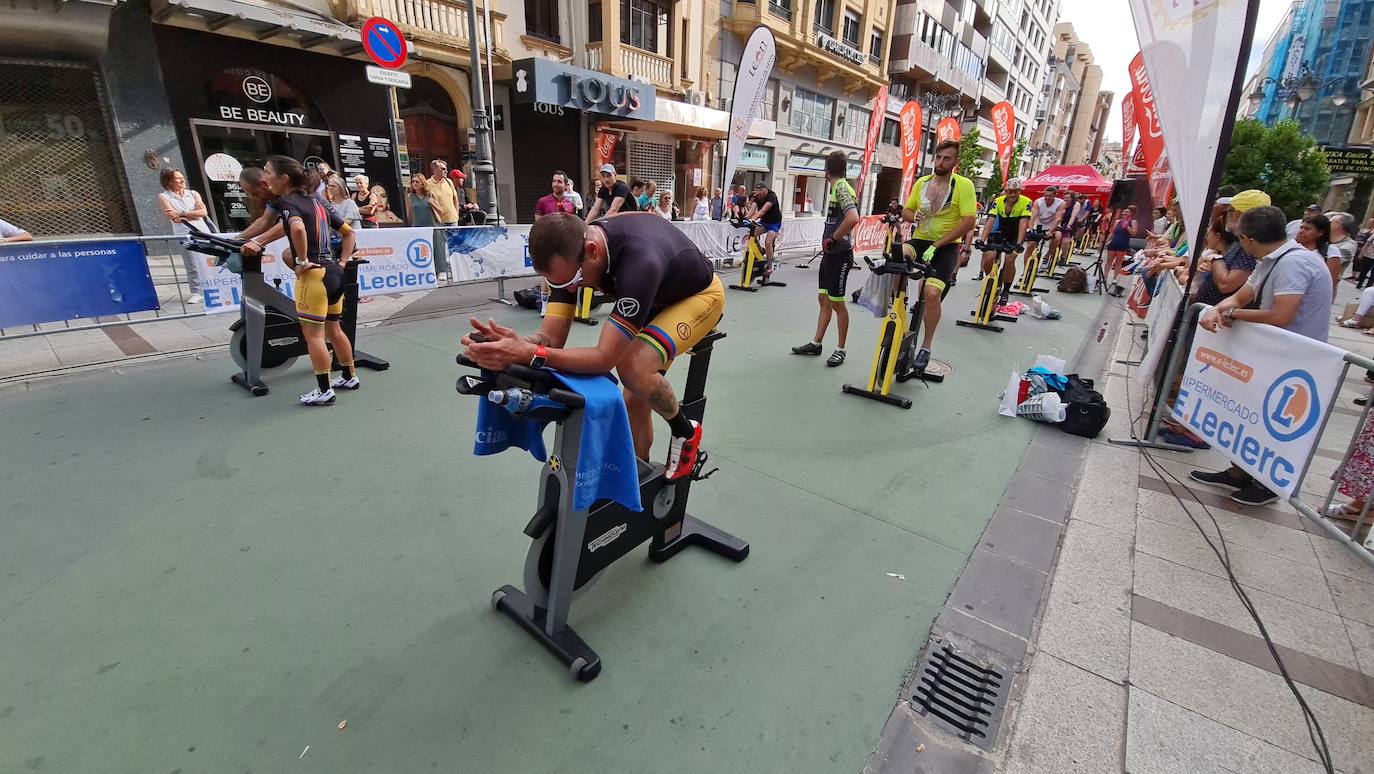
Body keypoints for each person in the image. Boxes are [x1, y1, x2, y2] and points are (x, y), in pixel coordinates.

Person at [461, 211, 725, 481]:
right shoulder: (570, 259)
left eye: (572, 281)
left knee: (633, 367)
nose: (569, 290)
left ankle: (685, 430)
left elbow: (603, 359)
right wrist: (513, 344)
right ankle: (638, 476)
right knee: (633, 399)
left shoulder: (640, 261)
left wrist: (529, 353)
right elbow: (551, 338)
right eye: (558, 284)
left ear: (592, 250)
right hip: (655, 293)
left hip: (697, 295)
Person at [1190, 205, 1334, 506]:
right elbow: (1244, 293)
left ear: (1249, 239)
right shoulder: (1272, 259)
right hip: (1275, 353)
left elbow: (1282, 315)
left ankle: (1267, 484)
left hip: (1297, 358)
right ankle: (1240, 472)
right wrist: (1220, 308)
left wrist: (1231, 312)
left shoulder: (1294, 263)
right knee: (1253, 411)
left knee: (1276, 419)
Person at [260, 156, 361, 406]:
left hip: (314, 275)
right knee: (335, 329)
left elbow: (296, 230)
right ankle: (349, 376)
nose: (265, 177)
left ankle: (325, 390)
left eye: (268, 172)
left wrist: (303, 261)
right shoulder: (319, 202)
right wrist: (343, 262)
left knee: (314, 336)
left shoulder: (287, 202)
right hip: (334, 272)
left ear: (284, 178)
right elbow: (350, 233)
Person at [899, 140, 977, 372]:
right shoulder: (922, 183)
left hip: (946, 246)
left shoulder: (963, 185)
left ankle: (926, 346)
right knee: (897, 255)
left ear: (955, 162)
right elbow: (906, 211)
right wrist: (915, 218)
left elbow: (969, 221)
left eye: (947, 158)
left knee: (931, 294)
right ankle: (898, 309)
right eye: (939, 157)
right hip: (921, 239)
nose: (941, 162)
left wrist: (939, 244)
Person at [791, 151, 859, 367]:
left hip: (840, 254)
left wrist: (833, 238)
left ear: (826, 171)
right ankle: (816, 342)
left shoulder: (840, 187)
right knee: (824, 299)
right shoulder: (839, 187)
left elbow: (853, 217)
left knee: (838, 303)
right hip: (831, 254)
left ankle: (840, 349)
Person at [1192, 189, 1269, 307]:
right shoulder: (1240, 242)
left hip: (1218, 320)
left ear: (1237, 214)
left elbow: (1226, 285)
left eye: (1228, 211)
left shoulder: (1251, 248)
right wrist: (1214, 267)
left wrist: (1216, 259)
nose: (1226, 216)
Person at [158, 167, 209, 304]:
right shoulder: (164, 196)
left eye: (182, 177)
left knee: (208, 260)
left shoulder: (193, 193)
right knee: (191, 263)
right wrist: (192, 213)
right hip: (183, 233)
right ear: (169, 181)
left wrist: (181, 213)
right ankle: (197, 291)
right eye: (178, 178)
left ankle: (213, 286)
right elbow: (173, 217)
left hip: (202, 232)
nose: (182, 180)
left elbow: (203, 213)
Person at [977, 176, 1031, 293]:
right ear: (1005, 191)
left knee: (1010, 259)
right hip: (999, 232)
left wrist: (1020, 242)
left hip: (1015, 234)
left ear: (1020, 191)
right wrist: (982, 239)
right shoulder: (998, 201)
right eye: (1010, 192)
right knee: (989, 256)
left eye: (1016, 192)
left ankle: (1006, 290)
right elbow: (990, 220)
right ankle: (990, 281)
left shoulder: (1026, 202)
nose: (1012, 195)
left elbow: (1023, 222)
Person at [750, 182, 783, 272]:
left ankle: (769, 266)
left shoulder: (772, 196)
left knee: (768, 242)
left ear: (766, 190)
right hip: (764, 222)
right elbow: (751, 211)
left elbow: (763, 210)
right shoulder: (757, 197)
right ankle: (760, 250)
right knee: (751, 235)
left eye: (761, 190)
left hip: (774, 223)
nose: (759, 192)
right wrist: (744, 219)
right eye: (758, 190)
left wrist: (753, 219)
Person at [1105, 205, 1139, 289]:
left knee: (1118, 261)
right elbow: (1113, 232)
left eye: (1127, 212)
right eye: (1124, 212)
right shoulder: (1118, 221)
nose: (1124, 213)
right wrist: (1106, 241)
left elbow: (1134, 234)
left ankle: (1114, 278)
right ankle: (1105, 277)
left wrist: (1127, 226)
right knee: (1109, 261)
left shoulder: (1133, 222)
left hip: (1123, 243)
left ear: (1131, 213)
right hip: (1114, 242)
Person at [424, 159, 461, 227]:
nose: (446, 171)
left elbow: (455, 199)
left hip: (453, 220)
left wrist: (456, 214)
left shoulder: (449, 182)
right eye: (443, 169)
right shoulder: (427, 184)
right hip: (438, 221)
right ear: (434, 169)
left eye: (446, 169)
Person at [1327, 211, 1358, 282]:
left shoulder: (1349, 245)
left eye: (1329, 222)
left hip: (1326, 285)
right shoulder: (1326, 239)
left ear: (1338, 224)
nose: (1326, 225)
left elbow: (1328, 263)